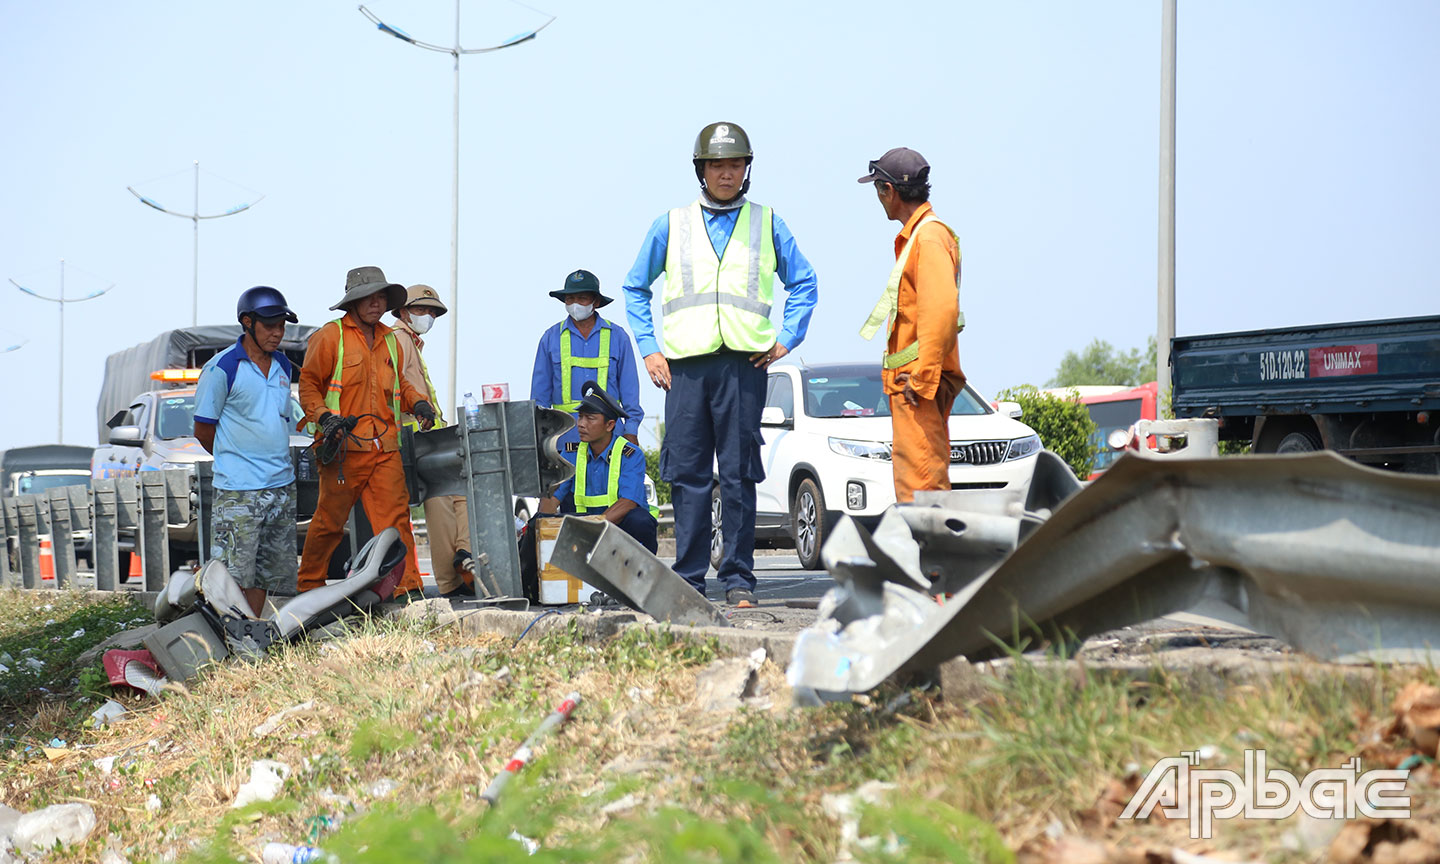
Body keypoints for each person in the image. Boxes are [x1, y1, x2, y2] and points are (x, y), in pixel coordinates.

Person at [623, 121, 818, 608]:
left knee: (738, 473)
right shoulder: (671, 224)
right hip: (685, 369)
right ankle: (688, 578)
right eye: (717, 165)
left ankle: (737, 579)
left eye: (734, 165)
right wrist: (649, 348)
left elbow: (805, 282)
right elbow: (633, 287)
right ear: (701, 171)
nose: (726, 173)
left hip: (743, 367)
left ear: (746, 170)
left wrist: (785, 340)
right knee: (687, 474)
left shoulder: (768, 221)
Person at [297, 266, 437, 597]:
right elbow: (309, 385)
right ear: (353, 302)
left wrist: (418, 403)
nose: (376, 303)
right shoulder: (330, 336)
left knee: (397, 523)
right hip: (343, 449)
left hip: (385, 447)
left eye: (380, 297)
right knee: (329, 524)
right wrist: (324, 418)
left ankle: (408, 590)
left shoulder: (391, 339)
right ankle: (309, 586)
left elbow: (401, 384)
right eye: (368, 297)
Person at [857, 147, 964, 503]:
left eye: (878, 190)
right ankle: (925, 555)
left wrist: (922, 379)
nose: (878, 199)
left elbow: (941, 312)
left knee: (923, 488)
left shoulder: (928, 238)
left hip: (917, 385)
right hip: (912, 384)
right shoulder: (918, 236)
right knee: (915, 485)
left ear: (891, 191)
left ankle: (931, 558)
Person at [193, 286, 301, 617]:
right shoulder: (222, 367)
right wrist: (236, 461)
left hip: (281, 487)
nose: (278, 333)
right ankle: (231, 635)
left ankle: (251, 632)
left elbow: (288, 418)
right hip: (239, 491)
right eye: (270, 325)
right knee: (232, 575)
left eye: (282, 325)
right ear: (247, 322)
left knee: (267, 573)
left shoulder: (284, 366)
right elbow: (203, 430)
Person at [391, 284, 472, 599]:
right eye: (421, 310)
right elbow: (399, 391)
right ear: (403, 312)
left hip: (426, 436)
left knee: (447, 499)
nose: (428, 316)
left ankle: (459, 562)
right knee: (449, 495)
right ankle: (455, 573)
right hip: (414, 438)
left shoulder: (411, 343)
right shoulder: (399, 341)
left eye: (432, 312)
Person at [538, 381, 658, 552]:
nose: (581, 424)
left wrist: (592, 529)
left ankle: (644, 573)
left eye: (590, 418)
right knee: (541, 519)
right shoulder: (571, 453)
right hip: (584, 527)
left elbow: (628, 503)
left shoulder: (630, 455)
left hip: (615, 528)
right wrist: (544, 516)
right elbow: (553, 500)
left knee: (640, 521)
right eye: (580, 417)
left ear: (610, 425)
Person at [530, 269, 643, 449]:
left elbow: (630, 393)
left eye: (582, 298)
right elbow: (539, 400)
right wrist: (540, 440)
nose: (575, 304)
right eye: (570, 299)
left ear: (595, 302)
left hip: (609, 436)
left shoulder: (618, 337)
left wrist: (631, 431)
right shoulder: (550, 338)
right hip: (563, 437)